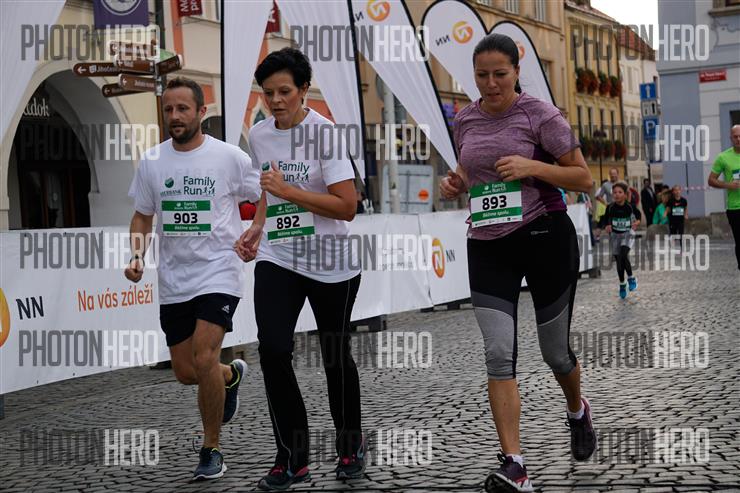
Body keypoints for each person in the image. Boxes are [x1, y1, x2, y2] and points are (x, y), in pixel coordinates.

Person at [439, 33, 595, 493]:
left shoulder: (541, 115)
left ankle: (577, 410)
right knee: (497, 352)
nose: (491, 84)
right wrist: (456, 183)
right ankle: (515, 465)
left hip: (544, 236)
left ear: (516, 71)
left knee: (555, 353)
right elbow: (470, 169)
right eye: (482, 75)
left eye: (500, 74)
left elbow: (583, 178)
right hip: (488, 243)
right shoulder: (465, 119)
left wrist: (533, 168)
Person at [235, 48, 364, 491]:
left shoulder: (325, 134)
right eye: (268, 93)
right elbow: (268, 191)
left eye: (284, 92)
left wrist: (290, 191)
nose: (276, 101)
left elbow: (347, 206)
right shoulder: (259, 135)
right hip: (279, 256)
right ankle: (292, 456)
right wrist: (257, 225)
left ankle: (350, 446)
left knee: (334, 357)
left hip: (331, 263)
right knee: (273, 351)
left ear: (304, 89)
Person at [125, 77, 259, 481]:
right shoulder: (152, 161)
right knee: (187, 371)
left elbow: (266, 195)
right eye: (168, 109)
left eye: (183, 108)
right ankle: (230, 375)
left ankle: (211, 448)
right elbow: (142, 216)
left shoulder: (229, 157)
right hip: (174, 279)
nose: (175, 116)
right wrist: (136, 254)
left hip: (219, 271)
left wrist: (255, 233)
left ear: (201, 112)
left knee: (204, 357)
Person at [708, 124, 740, 270]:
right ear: (731, 138)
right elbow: (711, 180)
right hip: (735, 208)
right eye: (735, 137)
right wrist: (728, 185)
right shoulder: (723, 157)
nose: (738, 139)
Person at [604, 183, 640, 299]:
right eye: (615, 192)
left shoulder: (630, 207)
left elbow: (638, 216)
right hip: (615, 236)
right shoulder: (610, 207)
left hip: (627, 234)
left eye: (620, 192)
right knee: (619, 260)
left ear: (625, 194)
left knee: (623, 255)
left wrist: (636, 223)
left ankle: (631, 278)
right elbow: (606, 219)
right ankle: (622, 284)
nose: (617, 195)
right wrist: (607, 226)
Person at [665, 185, 688, 251]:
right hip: (673, 221)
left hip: (680, 220)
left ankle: (682, 249)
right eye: (675, 190)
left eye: (678, 190)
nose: (677, 191)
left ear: (680, 191)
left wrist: (686, 214)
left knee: (681, 234)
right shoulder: (671, 201)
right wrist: (665, 214)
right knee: (673, 234)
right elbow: (667, 208)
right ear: (673, 192)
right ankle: (672, 248)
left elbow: (686, 208)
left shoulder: (684, 200)